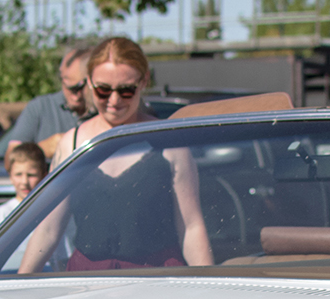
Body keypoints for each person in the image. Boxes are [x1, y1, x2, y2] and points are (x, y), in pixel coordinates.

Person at [18, 36, 212, 272]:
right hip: (87, 283)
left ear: (143, 82)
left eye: (126, 90)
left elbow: (191, 227)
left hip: (157, 280)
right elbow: (48, 229)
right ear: (89, 82)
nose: (114, 100)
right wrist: (19, 282)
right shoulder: (73, 144)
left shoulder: (169, 143)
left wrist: (208, 284)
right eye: (103, 90)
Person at [3, 47, 93, 154]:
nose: (76, 96)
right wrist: (41, 150)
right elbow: (10, 157)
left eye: (80, 88)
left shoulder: (105, 111)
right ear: (61, 77)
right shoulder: (40, 107)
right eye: (70, 88)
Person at [0, 142, 48, 242]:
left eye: (31, 175)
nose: (24, 182)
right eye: (18, 175)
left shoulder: (51, 211)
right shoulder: (2, 213)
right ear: (10, 177)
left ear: (44, 175)